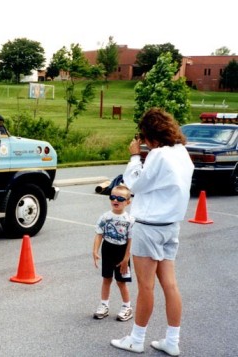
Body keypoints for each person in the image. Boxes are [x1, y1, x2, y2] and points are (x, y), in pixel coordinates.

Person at [111, 108, 194, 356]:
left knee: (146, 287)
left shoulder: (157, 155)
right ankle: (172, 339)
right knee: (170, 284)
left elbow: (135, 184)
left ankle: (137, 339)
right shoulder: (182, 153)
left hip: (149, 227)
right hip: (171, 227)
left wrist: (136, 157)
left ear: (150, 136)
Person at [93, 184, 135, 322]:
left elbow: (130, 240)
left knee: (121, 282)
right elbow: (99, 234)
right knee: (106, 279)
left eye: (120, 198)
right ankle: (104, 305)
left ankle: (127, 307)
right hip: (108, 249)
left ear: (128, 202)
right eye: (113, 197)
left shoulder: (130, 220)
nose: (115, 200)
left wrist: (126, 259)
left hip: (122, 252)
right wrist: (95, 251)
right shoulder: (105, 217)